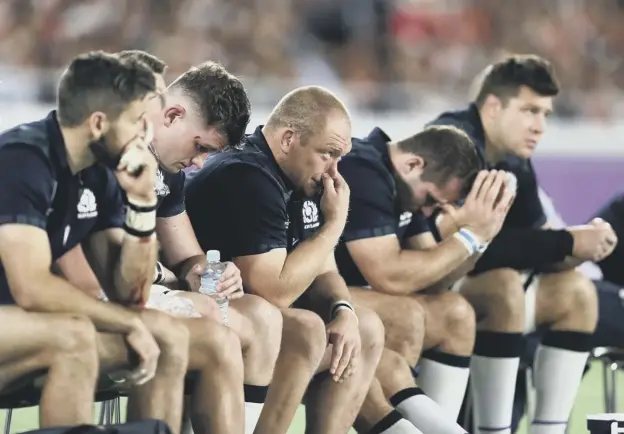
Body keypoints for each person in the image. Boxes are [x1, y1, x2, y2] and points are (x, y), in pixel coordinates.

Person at [0, 51, 246, 434]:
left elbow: (129, 291)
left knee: (169, 336)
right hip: (23, 316)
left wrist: (144, 204)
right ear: (99, 122)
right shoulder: (24, 157)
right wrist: (126, 322)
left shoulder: (97, 175)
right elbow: (31, 288)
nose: (146, 136)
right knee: (76, 337)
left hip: (28, 324)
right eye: (137, 122)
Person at [55, 52, 278, 433]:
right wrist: (168, 278)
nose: (199, 164)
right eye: (201, 147)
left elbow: (186, 255)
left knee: (265, 316)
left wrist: (205, 272)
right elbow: (97, 271)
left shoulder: (164, 170)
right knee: (215, 332)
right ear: (171, 115)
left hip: (128, 290)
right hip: (82, 300)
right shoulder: (94, 157)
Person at [427, 54, 617, 434]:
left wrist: (582, 246)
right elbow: (465, 250)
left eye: (545, 114)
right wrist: (567, 241)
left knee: (577, 292)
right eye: (530, 110)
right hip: (423, 290)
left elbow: (536, 241)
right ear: (493, 107)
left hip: (466, 293)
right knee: (503, 287)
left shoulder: (513, 159)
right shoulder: (452, 143)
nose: (540, 126)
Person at [185, 85, 385, 434]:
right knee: (306, 331)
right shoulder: (248, 175)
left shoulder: (301, 178)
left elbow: (324, 267)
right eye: (328, 154)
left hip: (249, 313)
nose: (334, 171)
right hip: (205, 303)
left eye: (341, 157)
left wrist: (343, 310)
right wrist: (335, 223)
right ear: (289, 139)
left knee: (362, 328)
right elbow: (273, 291)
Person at [335, 124, 513, 434]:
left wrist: (481, 236)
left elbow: (436, 280)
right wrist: (469, 237)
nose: (429, 211)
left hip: (356, 295)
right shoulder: (363, 167)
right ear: (414, 164)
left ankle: (433, 427)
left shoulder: (405, 183)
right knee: (405, 315)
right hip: (314, 289)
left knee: (455, 313)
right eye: (430, 199)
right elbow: (389, 276)